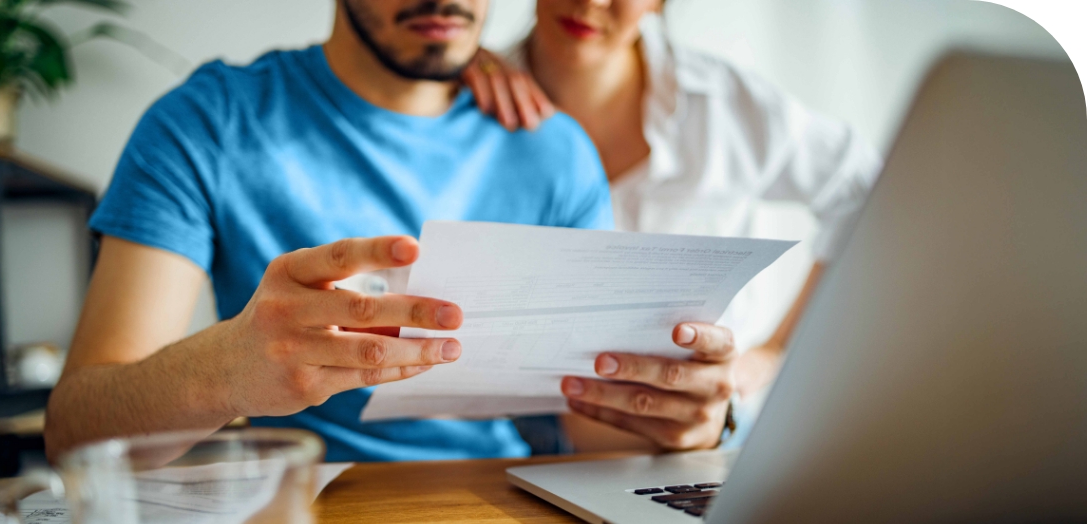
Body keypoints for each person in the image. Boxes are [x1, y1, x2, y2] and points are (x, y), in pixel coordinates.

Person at [45, 0, 747, 462]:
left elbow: (593, 427)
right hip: (312, 499)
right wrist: (228, 369)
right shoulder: (208, 122)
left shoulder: (550, 148)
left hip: (500, 499)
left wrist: (680, 421)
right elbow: (76, 431)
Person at [462, 0, 880, 451]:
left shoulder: (725, 107)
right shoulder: (460, 95)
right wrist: (456, 58)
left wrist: (776, 353)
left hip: (708, 429)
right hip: (518, 438)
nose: (589, 2)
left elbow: (865, 191)